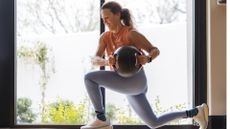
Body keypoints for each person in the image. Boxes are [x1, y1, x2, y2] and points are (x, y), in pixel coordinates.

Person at [81, 1, 209, 129]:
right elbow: (95, 60)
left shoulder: (130, 34)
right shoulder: (105, 37)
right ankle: (195, 112)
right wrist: (105, 61)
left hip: (135, 80)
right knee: (153, 123)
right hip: (125, 82)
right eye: (103, 19)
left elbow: (155, 50)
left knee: (89, 78)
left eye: (107, 18)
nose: (105, 22)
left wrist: (147, 58)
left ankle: (101, 118)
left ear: (118, 15)